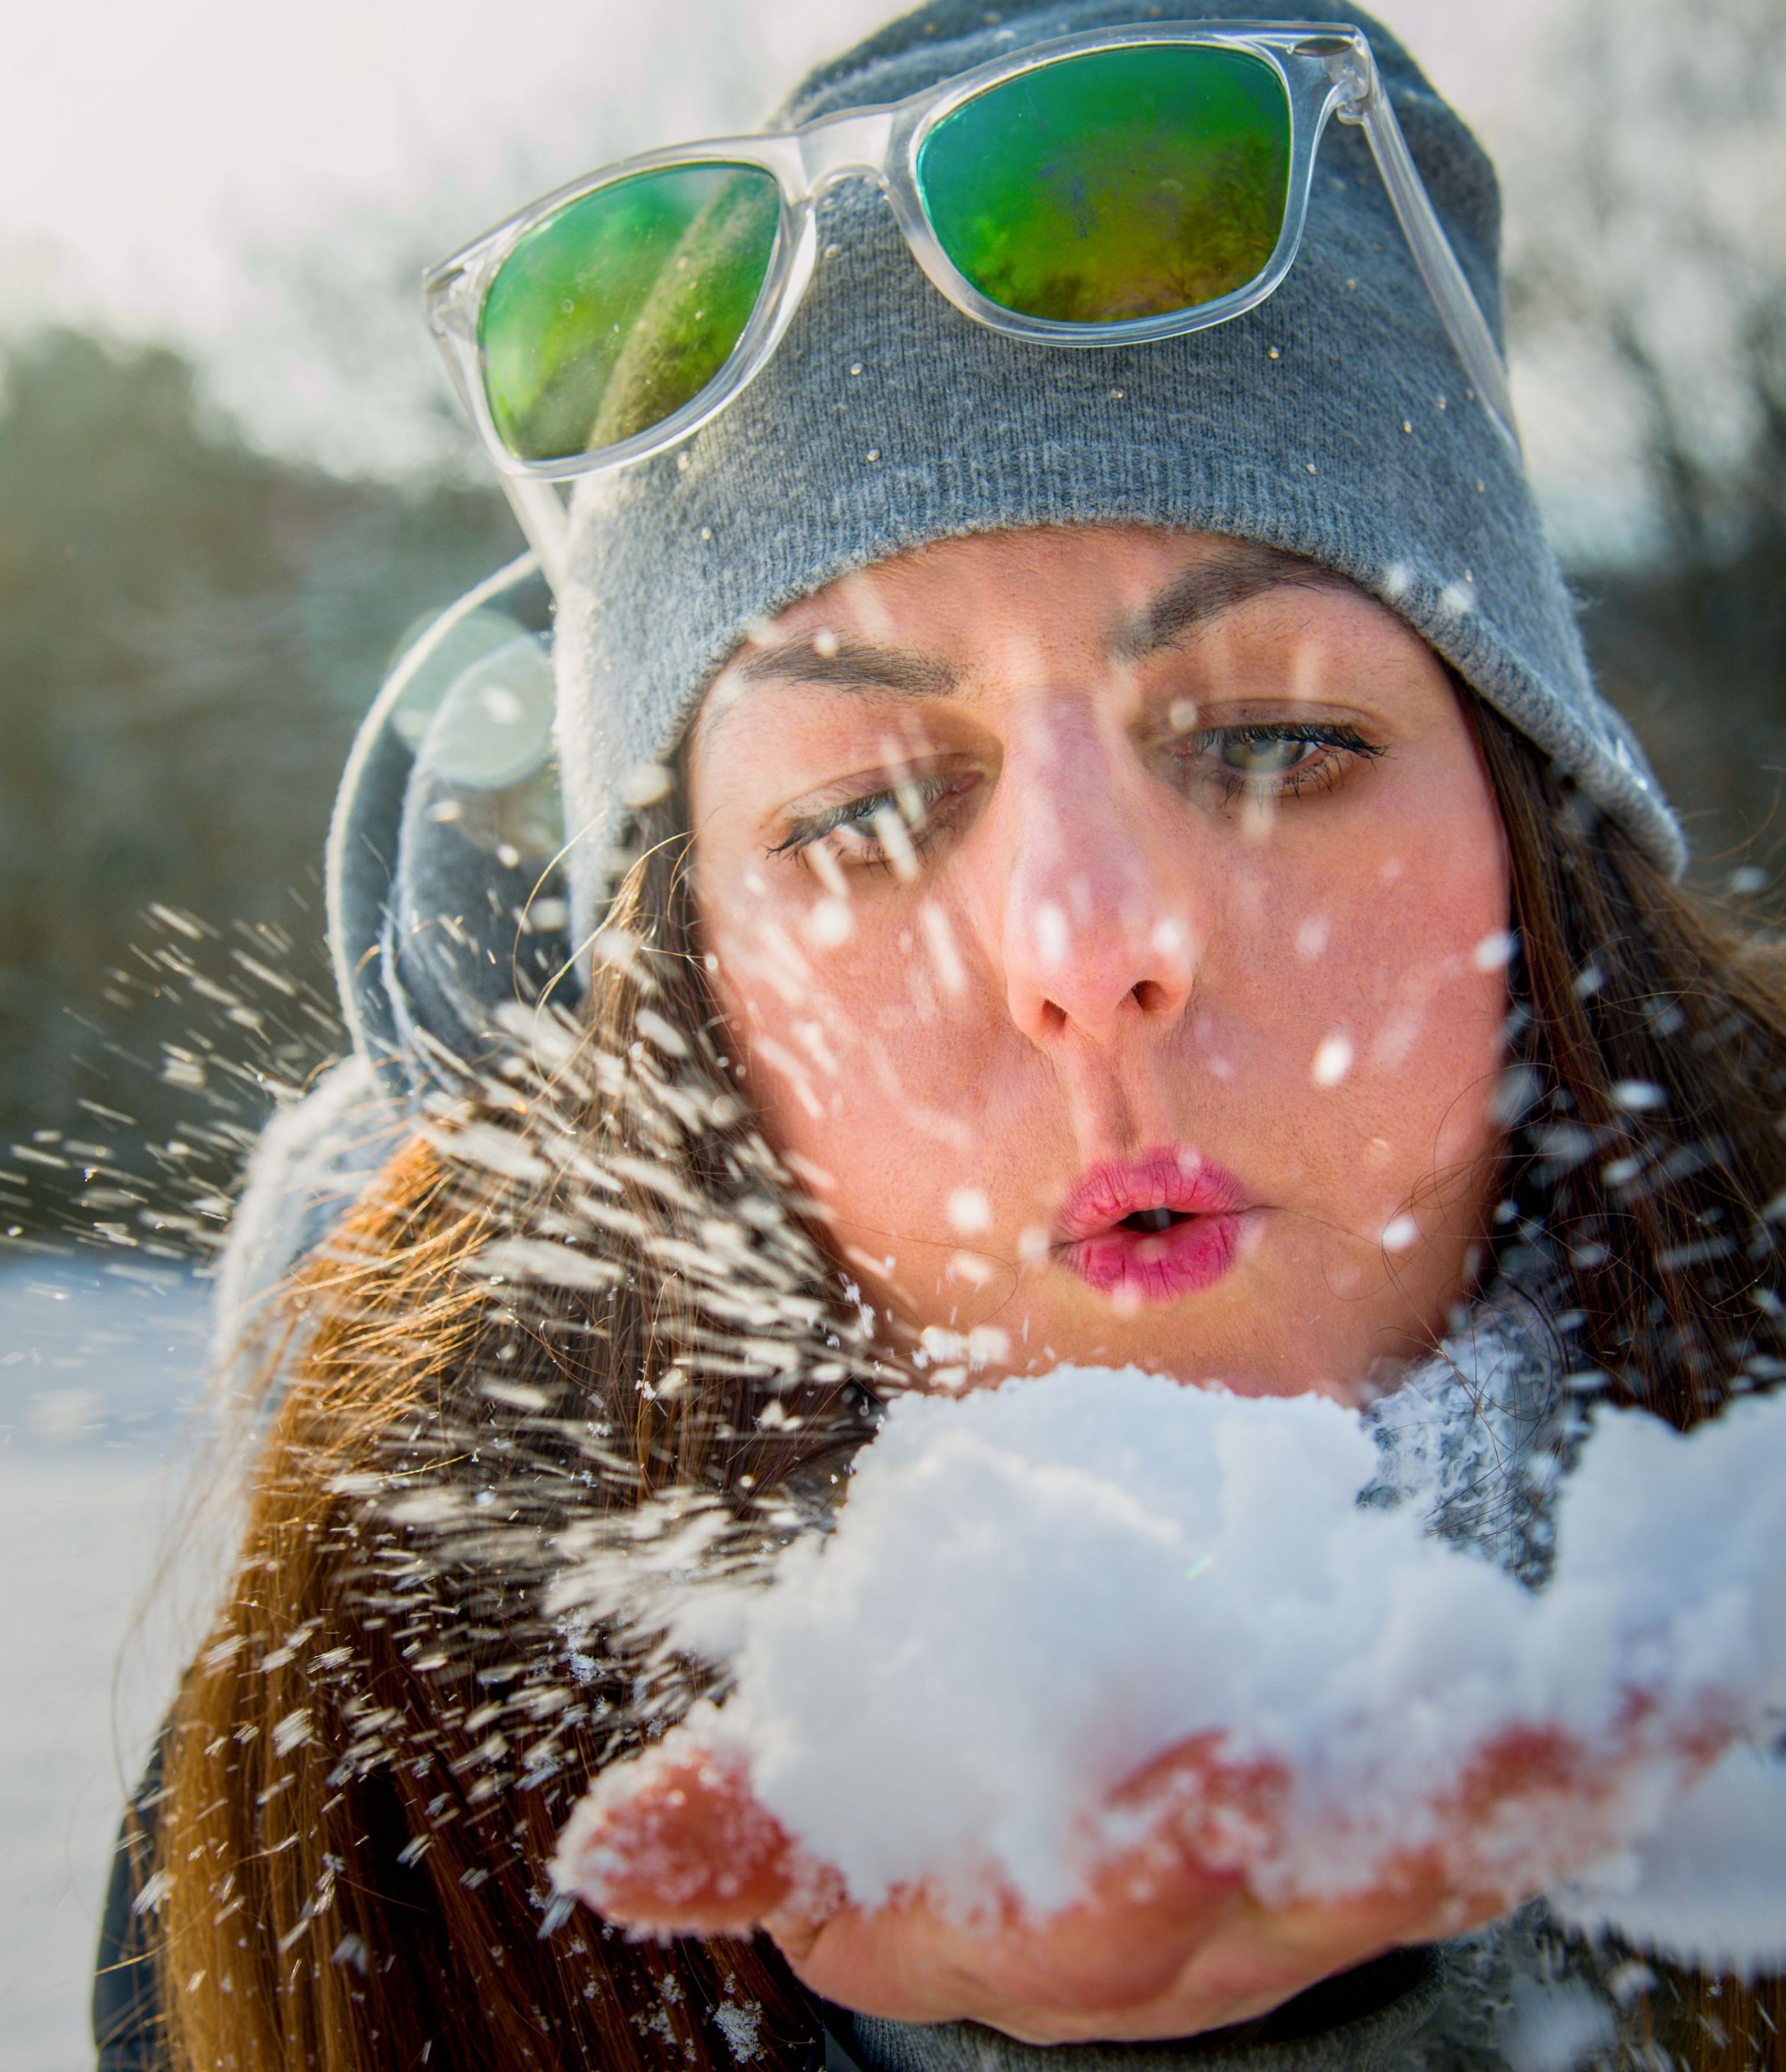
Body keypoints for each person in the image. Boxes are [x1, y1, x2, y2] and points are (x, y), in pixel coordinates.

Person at [94, 1, 1786, 2067]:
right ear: (690, 1008)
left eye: (1271, 737)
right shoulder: (382, 1787)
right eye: (866, 814)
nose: (1088, 945)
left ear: (1541, 855)